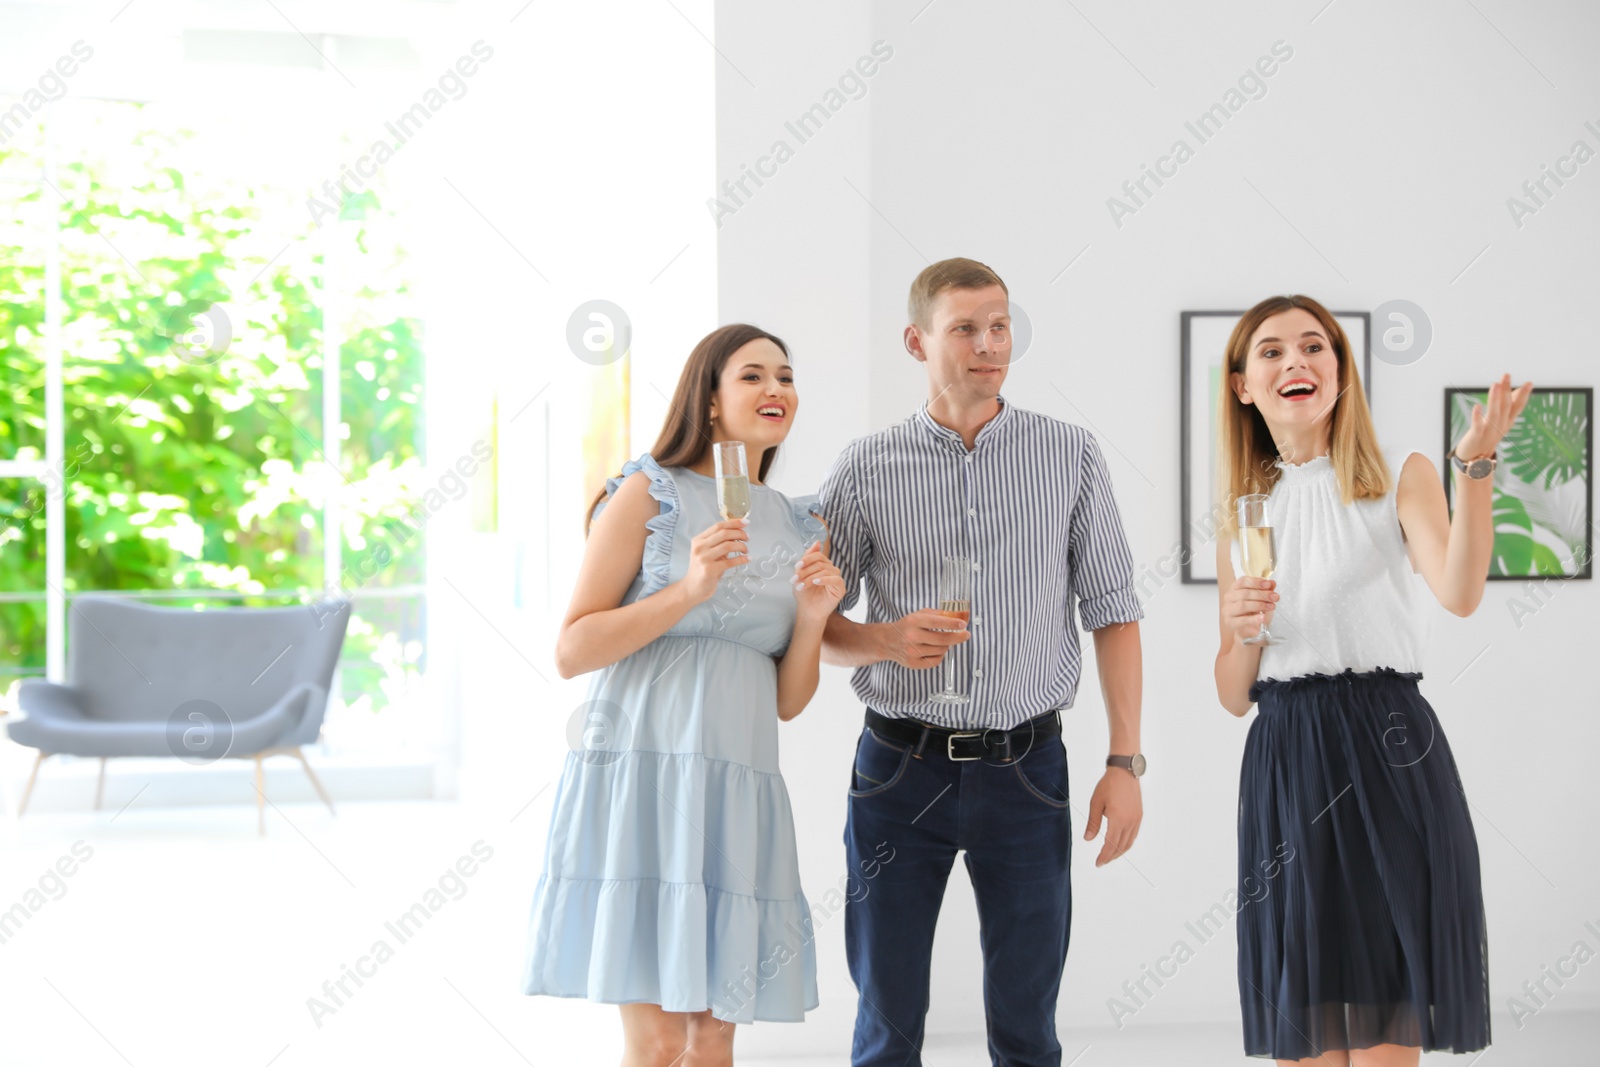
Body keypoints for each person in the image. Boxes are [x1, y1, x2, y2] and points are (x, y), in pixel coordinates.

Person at [817, 257, 1147, 1067]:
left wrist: (1125, 759)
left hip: (1027, 771)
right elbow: (811, 624)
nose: (988, 343)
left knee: (1028, 1031)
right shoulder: (864, 467)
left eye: (999, 325)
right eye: (964, 327)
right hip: (898, 771)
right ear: (916, 340)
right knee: (886, 1028)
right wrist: (886, 639)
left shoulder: (1069, 454)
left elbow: (1115, 610)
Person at [1213, 294, 1529, 1065]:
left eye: (1316, 347)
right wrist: (1245, 628)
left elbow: (1458, 593)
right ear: (1244, 385)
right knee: (1306, 1024)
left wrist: (1475, 470)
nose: (1298, 361)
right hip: (1288, 755)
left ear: (1341, 373)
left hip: (1387, 748)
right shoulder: (1245, 516)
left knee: (1386, 1008)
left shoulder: (1400, 476)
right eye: (1274, 351)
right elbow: (1230, 693)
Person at [524, 323, 846, 1067]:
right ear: (708, 401)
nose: (776, 390)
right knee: (662, 1039)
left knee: (713, 1038)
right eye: (753, 376)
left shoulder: (803, 525)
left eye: (786, 377)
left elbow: (789, 699)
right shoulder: (647, 492)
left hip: (737, 786)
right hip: (643, 775)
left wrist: (814, 620)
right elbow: (573, 649)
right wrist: (689, 590)